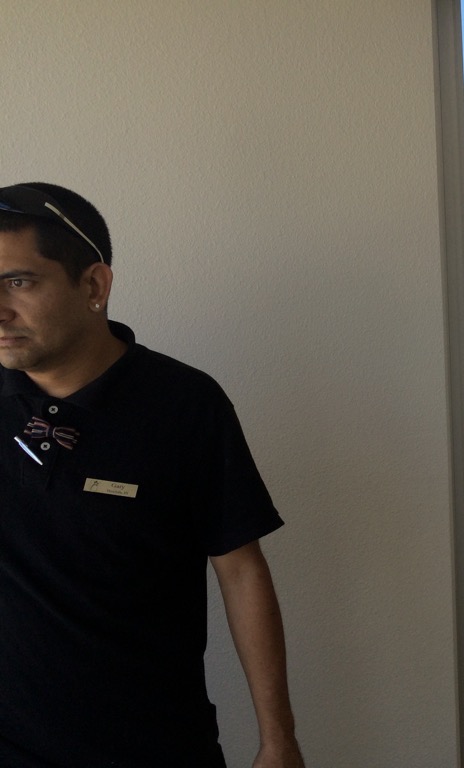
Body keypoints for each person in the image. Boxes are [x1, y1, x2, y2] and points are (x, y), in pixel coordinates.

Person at [0, 182, 305, 768]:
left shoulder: (184, 405)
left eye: (19, 282)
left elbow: (241, 570)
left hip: (151, 745)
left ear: (94, 285)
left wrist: (278, 740)